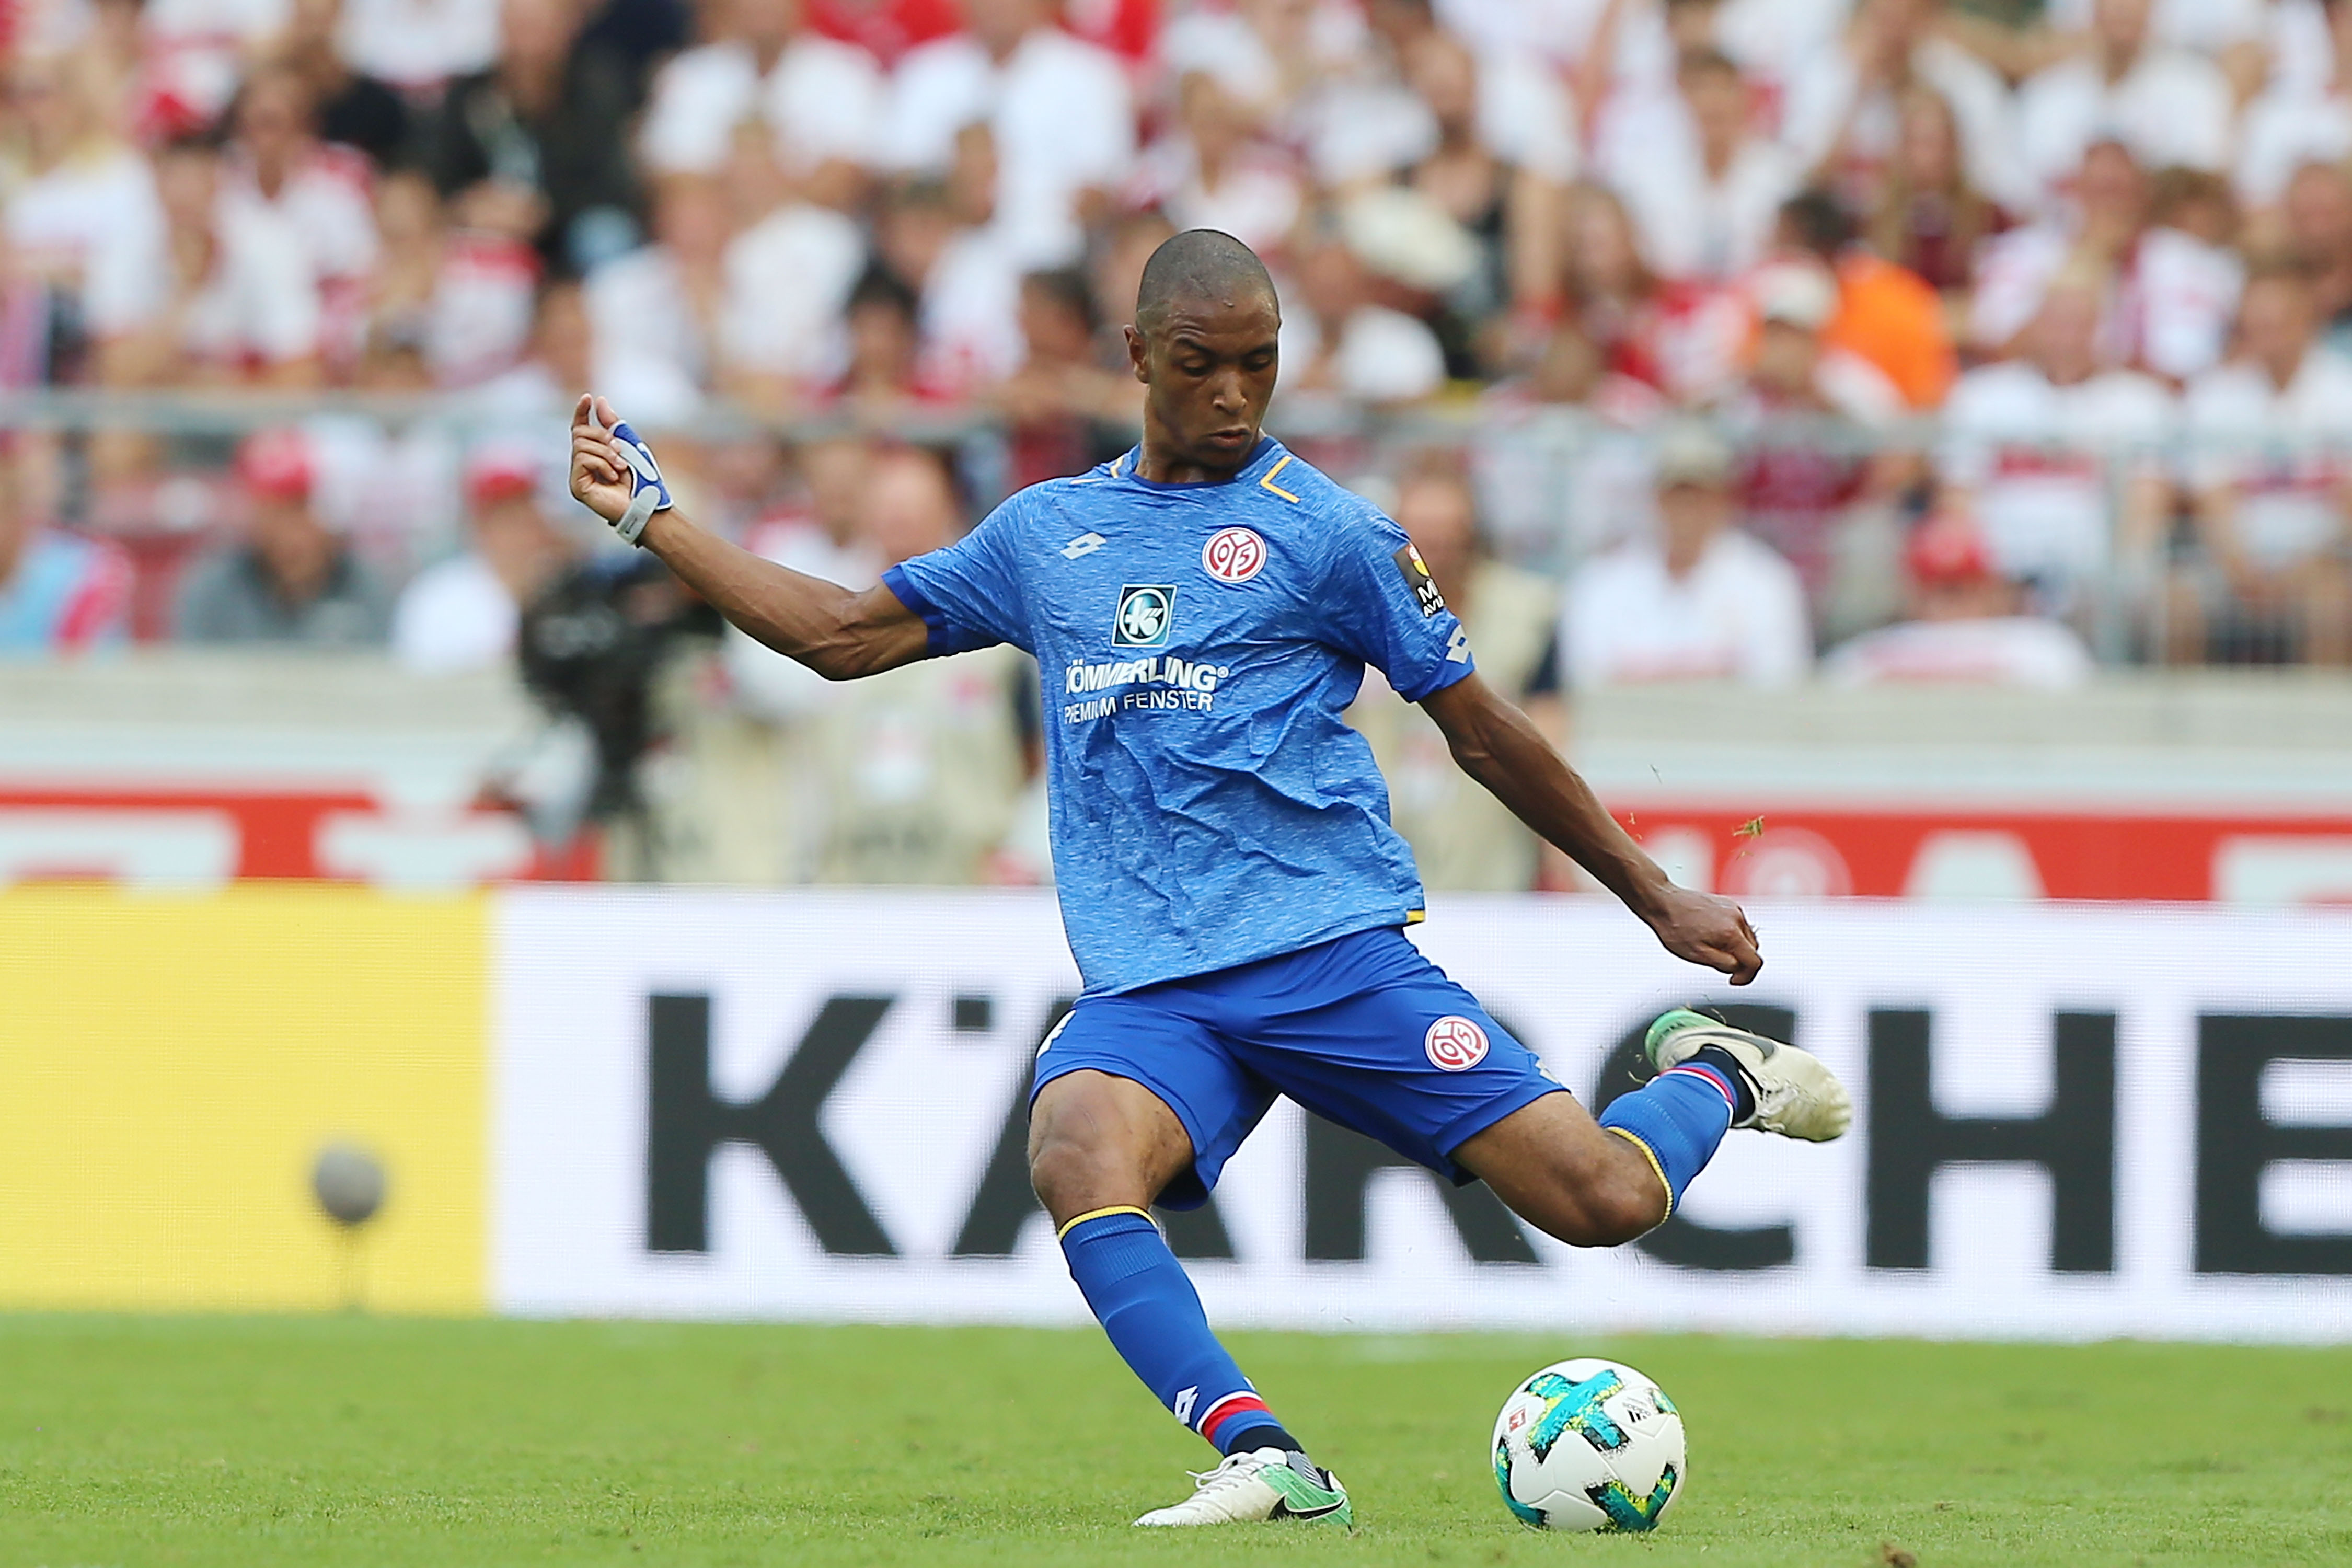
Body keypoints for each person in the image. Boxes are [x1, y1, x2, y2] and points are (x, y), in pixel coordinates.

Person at [570, 229, 1849, 1528]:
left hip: (1326, 952)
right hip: (1154, 982)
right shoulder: (1049, 534)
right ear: (1135, 356)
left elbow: (1482, 731)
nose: (1234, 396)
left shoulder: (1331, 534)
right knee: (1075, 1146)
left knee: (1605, 1200)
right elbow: (841, 636)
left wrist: (1652, 893)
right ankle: (1266, 1455)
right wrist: (651, 521)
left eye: (1259, 364)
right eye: (1201, 365)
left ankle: (1714, 1075)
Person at [1345, 459, 1567, 891]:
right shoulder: (1357, 609)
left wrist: (1560, 854)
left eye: (1449, 537)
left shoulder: (1526, 613)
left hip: (1489, 853)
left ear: (1471, 536)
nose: (1437, 554)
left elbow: (1551, 738)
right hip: (1380, 856)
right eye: (1423, 539)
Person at [1565, 419, 1814, 688]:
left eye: (1701, 496)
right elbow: (1584, 686)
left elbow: (1782, 684)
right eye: (1677, 495)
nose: (1688, 511)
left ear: (1726, 500)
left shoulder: (1767, 581)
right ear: (1655, 499)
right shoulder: (1601, 582)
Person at [1823, 509, 2095, 686]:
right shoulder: (1866, 655)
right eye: (1939, 589)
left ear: (1990, 588)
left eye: (1960, 588)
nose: (1949, 602)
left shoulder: (2043, 647)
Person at [175, 429, 392, 647]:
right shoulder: (214, 591)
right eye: (273, 513)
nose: (288, 530)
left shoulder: (366, 586)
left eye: (299, 508)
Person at [391, 446, 579, 674]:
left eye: (526, 511)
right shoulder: (438, 597)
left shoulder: (572, 587)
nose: (521, 530)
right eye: (504, 517)